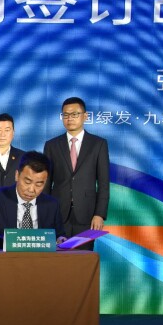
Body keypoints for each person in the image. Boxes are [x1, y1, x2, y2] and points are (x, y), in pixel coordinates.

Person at [43, 97, 110, 251]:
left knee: (83, 259)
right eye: (65, 115)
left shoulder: (98, 144)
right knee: (59, 258)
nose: (70, 118)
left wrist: (99, 214)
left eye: (74, 114)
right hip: (58, 215)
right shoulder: (52, 145)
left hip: (87, 215)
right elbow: (46, 183)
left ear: (85, 116)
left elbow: (103, 183)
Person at [0, 151, 66, 249]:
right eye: (27, 182)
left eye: (39, 184)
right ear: (17, 175)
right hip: (4, 257)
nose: (31, 190)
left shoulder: (52, 204)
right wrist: (15, 241)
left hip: (41, 257)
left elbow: (59, 235)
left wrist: (61, 239)